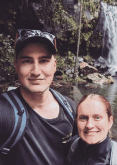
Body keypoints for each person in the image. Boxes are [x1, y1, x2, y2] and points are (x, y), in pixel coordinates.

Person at [0, 29, 77, 165]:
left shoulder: (69, 108)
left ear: (54, 65)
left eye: (43, 61)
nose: (36, 71)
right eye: (27, 61)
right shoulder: (3, 111)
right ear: (16, 65)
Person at [67, 94, 117, 165]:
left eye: (97, 117)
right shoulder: (71, 147)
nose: (89, 125)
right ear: (77, 121)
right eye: (83, 118)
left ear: (110, 121)